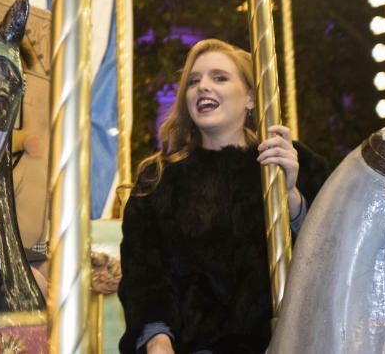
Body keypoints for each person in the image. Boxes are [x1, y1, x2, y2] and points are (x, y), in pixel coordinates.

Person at [118, 39, 328, 354]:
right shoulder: (158, 179)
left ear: (250, 98)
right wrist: (157, 337)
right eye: (193, 81)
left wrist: (291, 198)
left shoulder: (293, 163)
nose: (203, 87)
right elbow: (144, 273)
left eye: (219, 78)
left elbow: (331, 253)